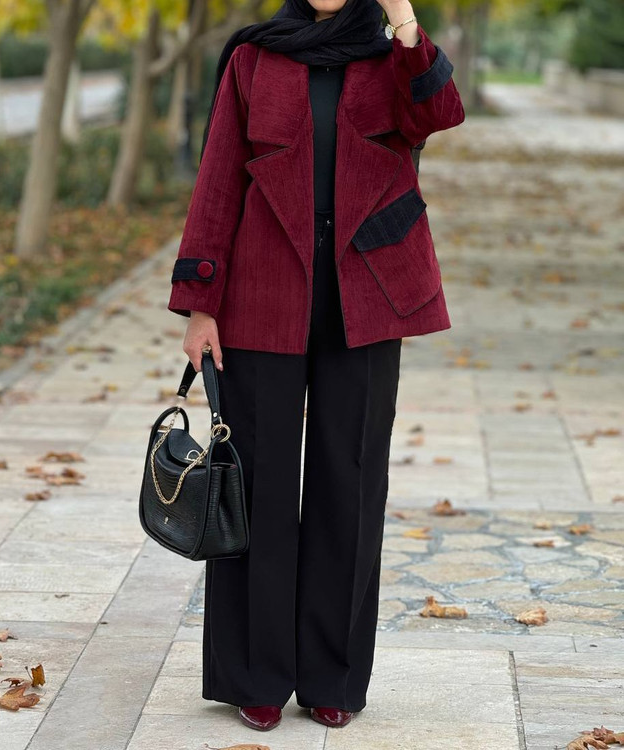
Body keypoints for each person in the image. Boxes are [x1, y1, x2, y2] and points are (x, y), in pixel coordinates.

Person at [168, 0, 465, 732]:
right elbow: (218, 179)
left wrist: (404, 19)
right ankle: (256, 675)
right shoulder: (253, 58)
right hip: (263, 296)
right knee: (257, 486)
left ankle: (333, 675)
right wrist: (201, 304)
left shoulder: (392, 55)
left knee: (350, 485)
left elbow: (440, 113)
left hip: (368, 295)